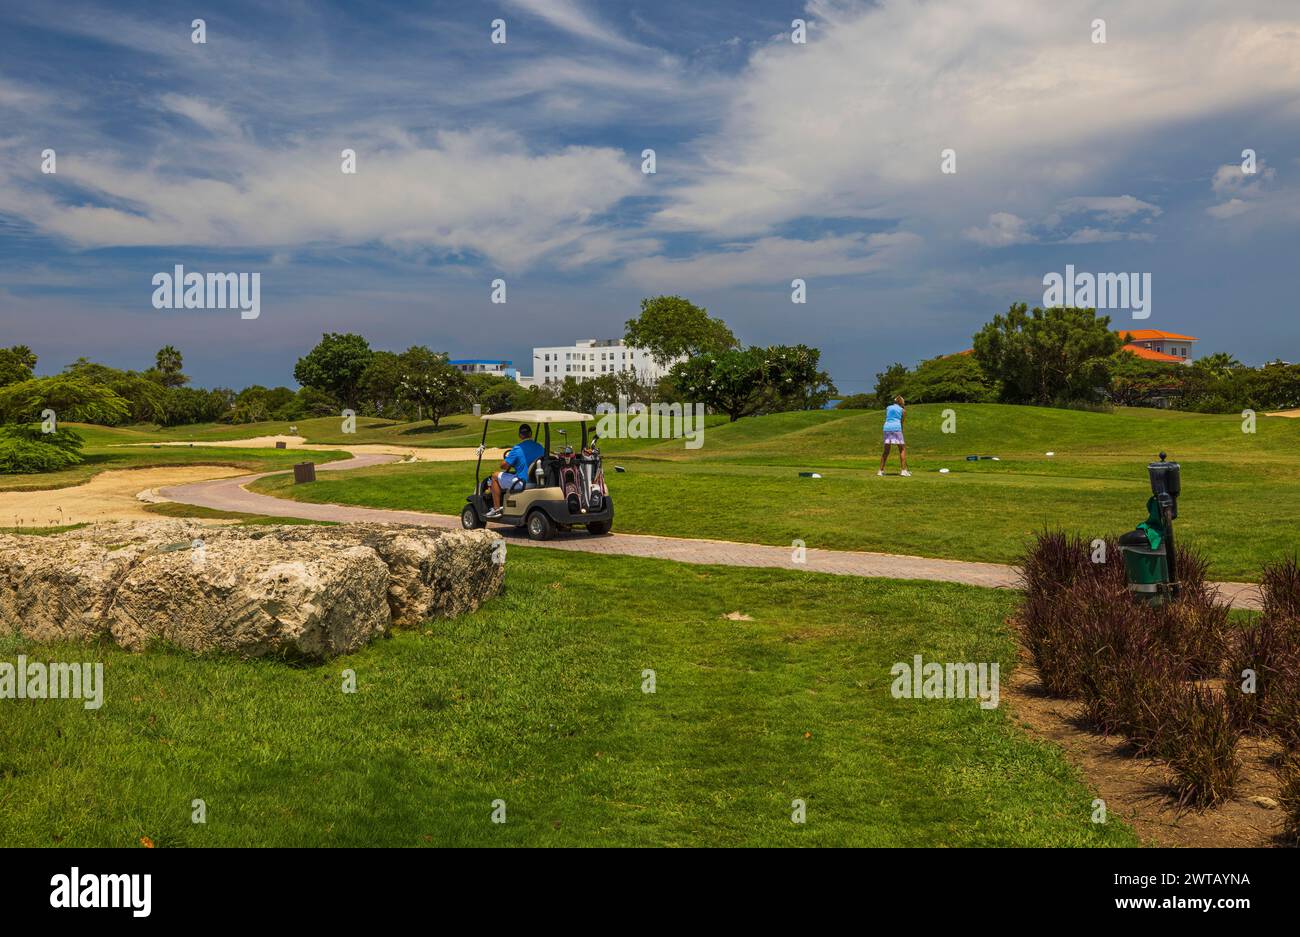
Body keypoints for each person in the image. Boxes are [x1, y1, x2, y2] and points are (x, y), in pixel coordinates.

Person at [486, 424, 545, 517]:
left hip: (522, 482)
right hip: (536, 480)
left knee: (494, 476)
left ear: (520, 435)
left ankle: (496, 509)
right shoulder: (540, 447)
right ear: (531, 434)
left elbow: (504, 466)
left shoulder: (518, 448)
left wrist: (512, 462)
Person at [878, 395, 910, 477]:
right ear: (902, 402)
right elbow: (901, 422)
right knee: (902, 449)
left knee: (886, 450)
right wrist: (901, 431)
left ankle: (880, 471)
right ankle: (903, 470)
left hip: (887, 428)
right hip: (896, 428)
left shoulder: (888, 407)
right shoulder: (903, 410)